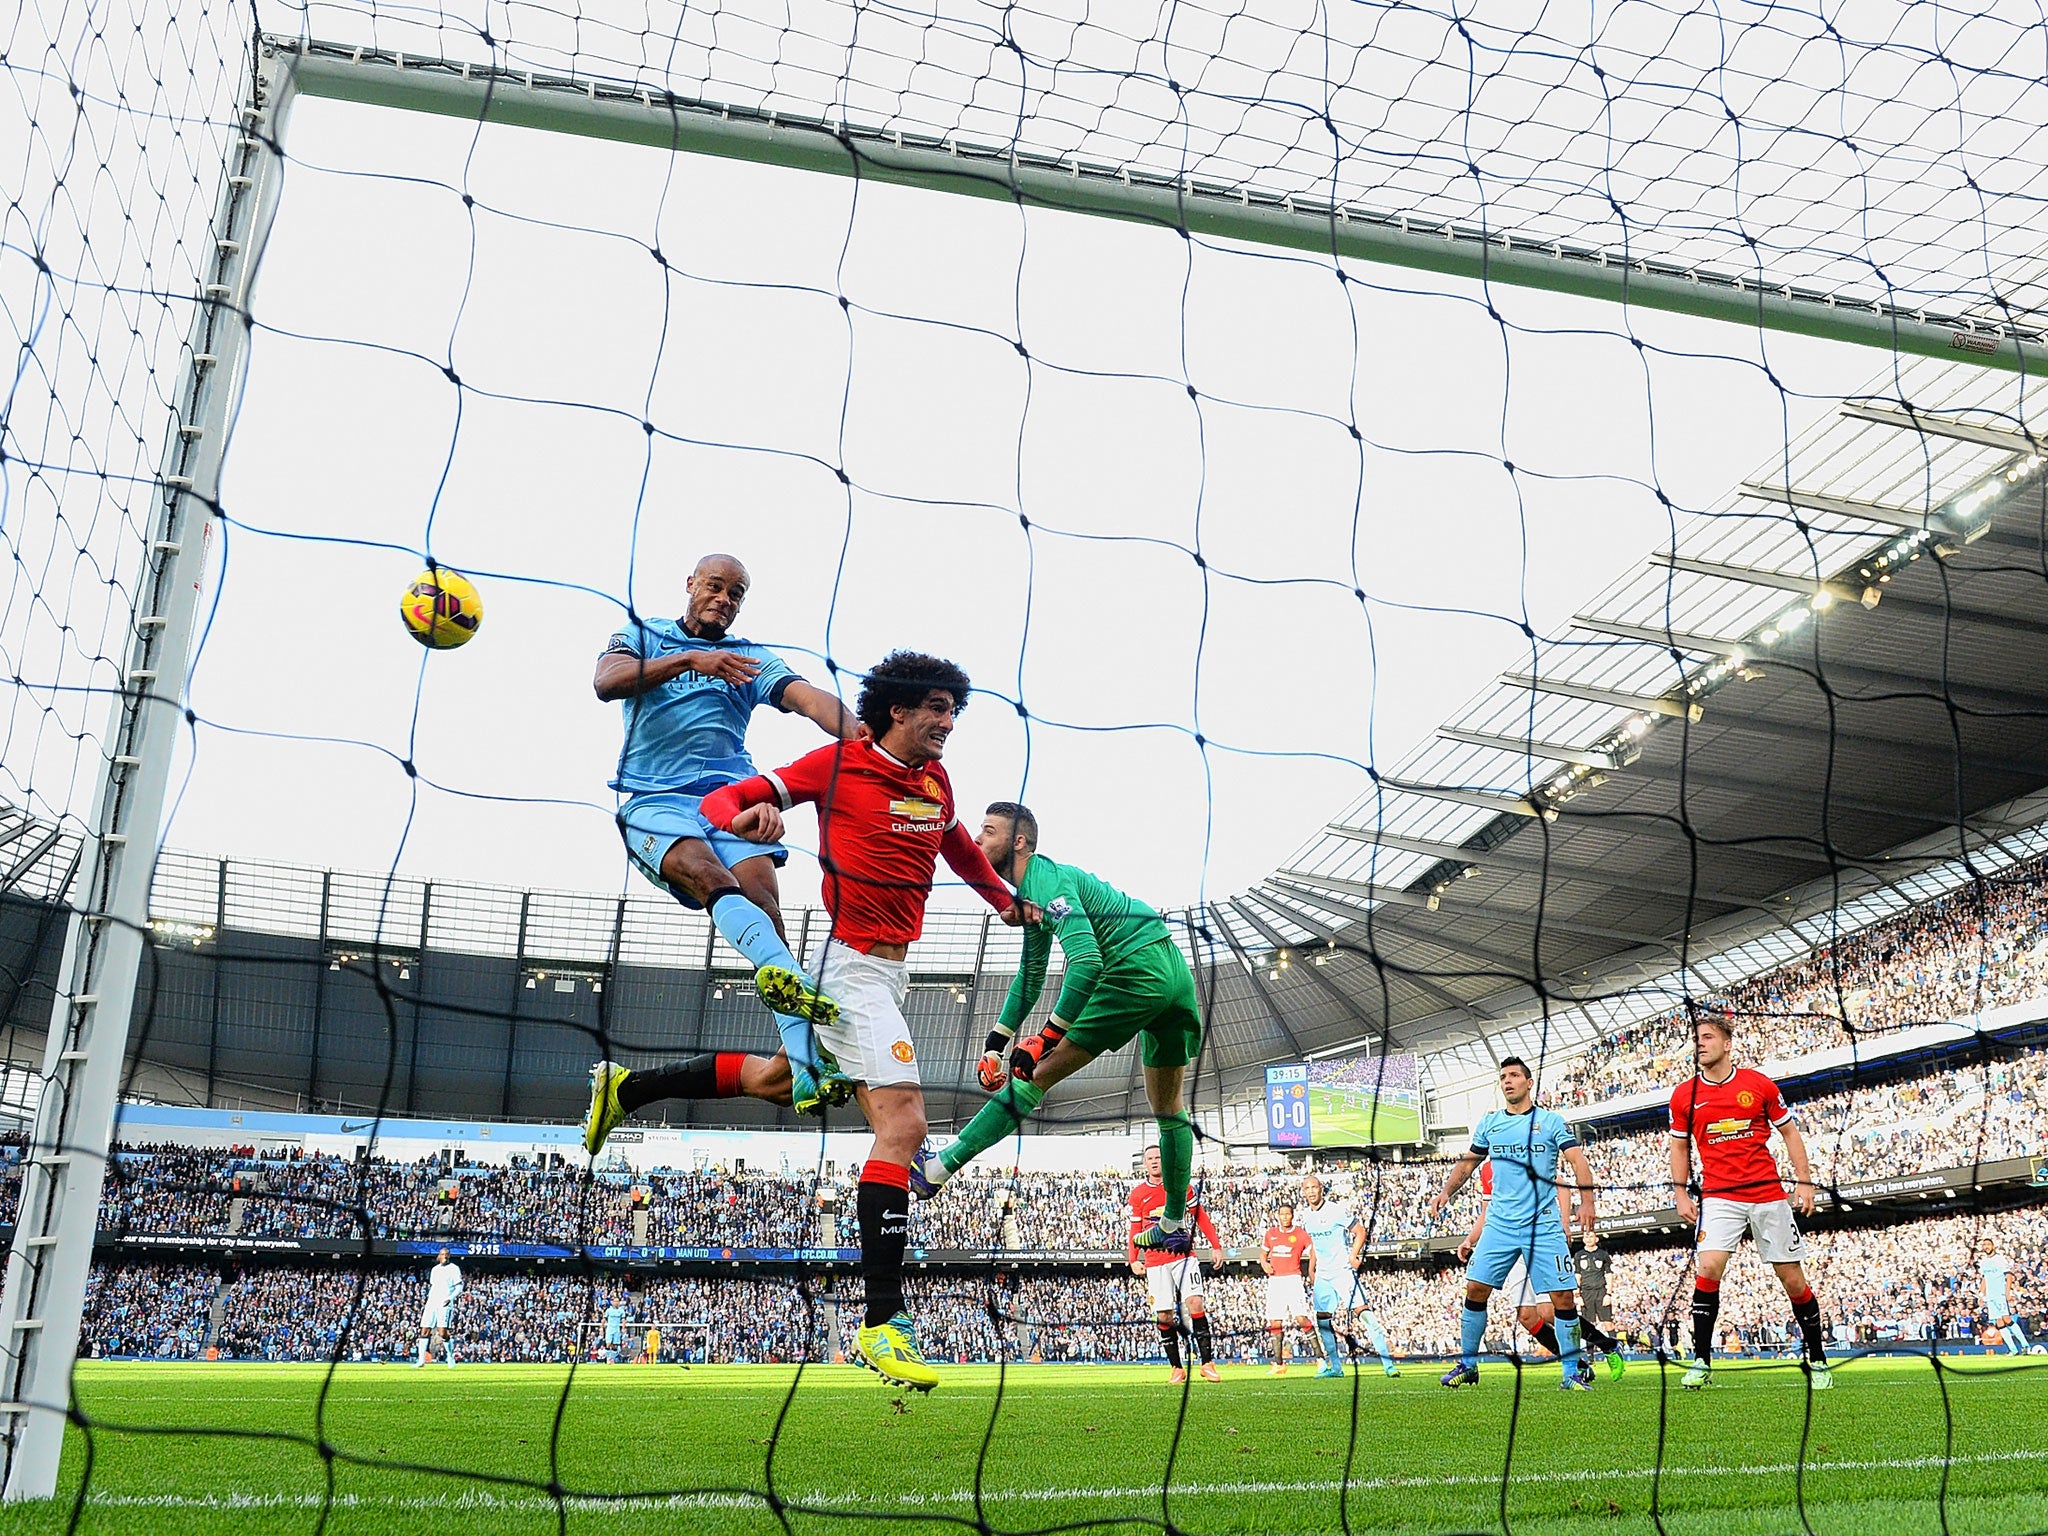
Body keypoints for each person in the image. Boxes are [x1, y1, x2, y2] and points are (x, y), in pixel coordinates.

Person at [702, 651, 1029, 1391]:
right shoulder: (839, 763)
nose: (949, 722)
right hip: (851, 969)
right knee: (905, 1127)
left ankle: (626, 1087)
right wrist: (748, 815)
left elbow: (952, 844)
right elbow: (722, 804)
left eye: (955, 710)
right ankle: (883, 1323)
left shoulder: (936, 784)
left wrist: (1003, 901)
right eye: (938, 708)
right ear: (897, 711)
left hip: (891, 973)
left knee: (777, 1081)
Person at [586, 552, 862, 1126]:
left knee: (766, 907)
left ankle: (803, 1057)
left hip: (734, 803)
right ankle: (808, 1053)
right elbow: (606, 683)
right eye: (715, 586)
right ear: (689, 584)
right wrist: (691, 660)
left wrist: (866, 740)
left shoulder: (749, 659)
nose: (725, 598)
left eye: (737, 593)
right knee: (711, 876)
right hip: (657, 802)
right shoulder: (643, 635)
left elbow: (808, 698)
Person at [907, 805, 1204, 1243]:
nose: (978, 840)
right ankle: (1175, 1222)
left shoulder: (1043, 878)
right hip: (1171, 970)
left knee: (1036, 1075)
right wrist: (996, 1043)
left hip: (1134, 971)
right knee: (1168, 1106)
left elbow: (1087, 963)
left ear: (1019, 843)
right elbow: (1030, 977)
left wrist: (1046, 1037)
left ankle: (939, 1167)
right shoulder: (1032, 896)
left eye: (988, 832)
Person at [1668, 1013, 1831, 1389]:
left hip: (1767, 1194)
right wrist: (1680, 1192)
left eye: (1708, 1037)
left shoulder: (1758, 1085)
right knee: (1707, 1268)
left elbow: (1790, 1133)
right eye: (1697, 1039)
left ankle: (1818, 1358)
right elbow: (1679, 1146)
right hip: (1718, 1196)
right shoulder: (1684, 1095)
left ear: (1727, 1044)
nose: (1700, 1044)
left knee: (1792, 1280)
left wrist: (1804, 1182)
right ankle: (1702, 1360)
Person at [1429, 1057, 1596, 1391]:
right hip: (1500, 1224)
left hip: (1542, 1225)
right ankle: (1469, 1365)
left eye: (1515, 1075)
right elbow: (1468, 1165)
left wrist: (1587, 1201)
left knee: (1562, 1297)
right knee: (1475, 1289)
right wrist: (1445, 1191)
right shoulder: (1490, 1123)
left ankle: (1571, 1373)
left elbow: (1577, 1160)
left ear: (1529, 1082)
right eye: (1503, 1076)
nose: (1508, 1081)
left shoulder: (1550, 1121)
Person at [1460, 1160, 1625, 1382]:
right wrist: (1470, 1240)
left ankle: (1608, 1346)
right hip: (1509, 1242)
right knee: (1527, 1316)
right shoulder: (1487, 1169)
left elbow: (1561, 1186)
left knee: (1548, 1311)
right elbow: (1487, 1213)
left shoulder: (1521, 1155)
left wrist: (1564, 1223)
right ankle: (1580, 1365)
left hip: (1539, 1238)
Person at [1127, 1146, 1223, 1383]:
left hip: (1183, 1256)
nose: (1154, 1162)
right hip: (1155, 1260)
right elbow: (1135, 1228)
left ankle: (1207, 1363)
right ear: (1145, 1164)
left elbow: (1199, 1215)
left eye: (1158, 1157)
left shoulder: (1181, 1186)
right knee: (1164, 1315)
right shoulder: (1138, 1194)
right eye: (1149, 1159)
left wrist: (1216, 1244)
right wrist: (1133, 1258)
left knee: (1195, 1302)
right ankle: (1176, 1367)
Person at [1297, 1174, 1398, 1379]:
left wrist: (1353, 1254)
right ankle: (1336, 1368)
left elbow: (1360, 1231)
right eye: (1307, 1188)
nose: (1311, 1191)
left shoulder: (1336, 1211)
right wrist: (1311, 1269)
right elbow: (1316, 1245)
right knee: (1323, 1320)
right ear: (1303, 1192)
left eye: (1314, 1187)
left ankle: (1388, 1365)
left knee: (1365, 1314)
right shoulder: (1305, 1216)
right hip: (1323, 1275)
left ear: (1321, 1188)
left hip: (1342, 1271)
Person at [1260, 1202, 1318, 1374]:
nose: (1285, 1217)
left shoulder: (1300, 1234)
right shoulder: (1271, 1234)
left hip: (1293, 1279)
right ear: (1278, 1216)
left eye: (1288, 1214)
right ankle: (1279, 1364)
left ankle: (1320, 1358)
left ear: (1292, 1216)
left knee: (1301, 1318)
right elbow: (1263, 1254)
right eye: (1282, 1214)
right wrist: (1264, 1264)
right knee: (1274, 1321)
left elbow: (1313, 1250)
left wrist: (1310, 1268)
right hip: (1275, 1280)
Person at [1979, 1238, 2030, 1355]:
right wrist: (1981, 1295)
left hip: (2000, 1294)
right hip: (1990, 1296)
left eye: (1988, 1244)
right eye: (1984, 1245)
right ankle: (2013, 1349)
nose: (1986, 1246)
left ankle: (2025, 1345)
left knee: (2007, 1319)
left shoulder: (1999, 1259)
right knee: (1999, 1323)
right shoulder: (1983, 1262)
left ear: (1993, 1246)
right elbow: (1984, 1279)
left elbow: (2009, 1276)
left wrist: (2007, 1292)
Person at [415, 1246, 462, 1368]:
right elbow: (434, 1285)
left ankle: (450, 1357)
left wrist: (450, 1298)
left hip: (444, 1302)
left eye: (446, 1254)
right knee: (424, 1330)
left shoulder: (454, 1269)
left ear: (449, 1256)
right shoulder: (435, 1269)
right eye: (442, 1254)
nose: (445, 1256)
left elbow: (459, 1287)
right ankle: (421, 1360)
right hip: (432, 1302)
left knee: (443, 1333)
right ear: (439, 1256)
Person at [602, 1296, 627, 1363]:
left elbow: (623, 1320)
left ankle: (612, 1359)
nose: (617, 1303)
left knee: (615, 1345)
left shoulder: (621, 1311)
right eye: (615, 1301)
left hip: (616, 1330)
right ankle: (608, 1358)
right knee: (608, 1343)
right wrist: (601, 1328)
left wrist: (623, 1328)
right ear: (613, 1302)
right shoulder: (609, 1310)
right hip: (610, 1329)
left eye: (618, 1301)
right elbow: (604, 1319)